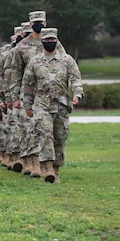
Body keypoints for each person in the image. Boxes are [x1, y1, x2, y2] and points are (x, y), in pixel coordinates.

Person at [22, 28, 83, 183]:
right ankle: (47, 167)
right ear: (42, 42)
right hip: (42, 104)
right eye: (46, 40)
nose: (49, 43)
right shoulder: (35, 62)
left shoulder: (67, 60)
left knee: (60, 138)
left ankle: (55, 170)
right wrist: (28, 106)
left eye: (52, 40)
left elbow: (75, 79)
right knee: (46, 133)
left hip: (61, 105)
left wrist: (77, 94)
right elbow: (28, 85)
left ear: (56, 41)